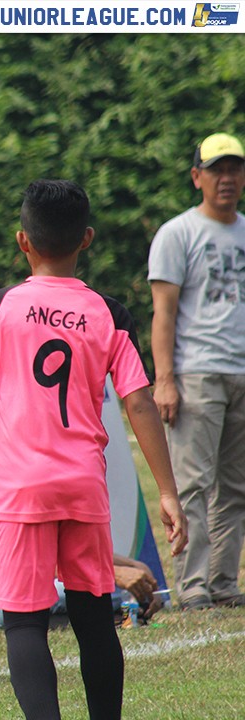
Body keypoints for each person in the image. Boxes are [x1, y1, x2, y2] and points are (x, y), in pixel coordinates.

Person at [0, 179, 187, 720]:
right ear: (87, 238)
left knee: (26, 621)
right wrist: (168, 492)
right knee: (93, 618)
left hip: (20, 489)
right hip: (82, 484)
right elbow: (140, 403)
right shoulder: (109, 313)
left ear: (22, 241)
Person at [148, 132, 245, 611]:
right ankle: (193, 586)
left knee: (236, 486)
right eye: (216, 170)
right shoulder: (178, 233)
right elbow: (162, 313)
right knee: (193, 486)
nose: (227, 179)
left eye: (235, 169)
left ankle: (224, 583)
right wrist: (164, 379)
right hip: (197, 372)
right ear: (197, 177)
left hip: (242, 372)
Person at [0, 483, 166, 630]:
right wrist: (115, 576)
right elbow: (37, 562)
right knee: (90, 588)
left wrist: (134, 566)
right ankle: (122, 610)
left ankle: (124, 612)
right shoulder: (10, 488)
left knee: (97, 588)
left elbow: (77, 551)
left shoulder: (54, 483)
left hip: (24, 589)